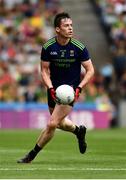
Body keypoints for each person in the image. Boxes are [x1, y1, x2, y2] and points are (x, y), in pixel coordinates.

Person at [17, 12, 94, 163]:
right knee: (60, 122)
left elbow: (90, 70)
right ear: (57, 29)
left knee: (52, 123)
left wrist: (79, 88)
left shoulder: (79, 47)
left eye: (71, 25)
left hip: (70, 92)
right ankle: (79, 131)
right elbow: (44, 70)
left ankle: (31, 155)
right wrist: (51, 88)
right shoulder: (48, 47)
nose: (70, 28)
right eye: (66, 26)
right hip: (53, 90)